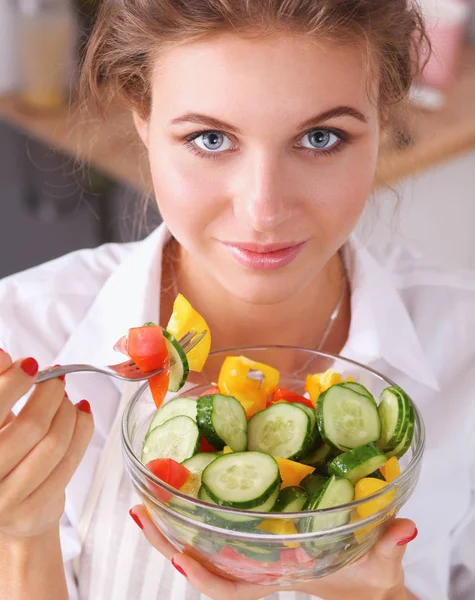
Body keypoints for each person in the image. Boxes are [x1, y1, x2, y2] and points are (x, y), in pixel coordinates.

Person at [1, 0, 474, 599]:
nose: (264, 210)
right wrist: (19, 538)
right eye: (211, 138)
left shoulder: (465, 345)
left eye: (320, 138)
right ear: (142, 117)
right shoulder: (24, 333)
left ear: (384, 119)